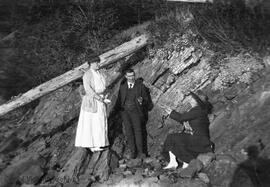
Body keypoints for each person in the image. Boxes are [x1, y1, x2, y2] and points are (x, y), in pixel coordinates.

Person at [162, 90, 214, 169]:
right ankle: (178, 162)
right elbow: (186, 119)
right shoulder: (200, 110)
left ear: (197, 101)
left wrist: (171, 112)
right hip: (200, 138)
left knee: (172, 138)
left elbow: (181, 117)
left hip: (199, 140)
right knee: (175, 138)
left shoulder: (197, 110)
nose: (189, 100)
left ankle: (183, 161)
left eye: (192, 99)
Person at [114, 69, 153, 159]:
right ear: (126, 77)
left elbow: (147, 100)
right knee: (129, 132)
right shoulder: (123, 86)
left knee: (138, 131)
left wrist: (142, 101)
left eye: (133, 76)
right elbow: (119, 100)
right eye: (129, 76)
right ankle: (133, 152)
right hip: (125, 112)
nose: (131, 78)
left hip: (136, 111)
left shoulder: (140, 86)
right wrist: (116, 110)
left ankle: (141, 152)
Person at [75, 52, 110, 152]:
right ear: (91, 64)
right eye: (96, 63)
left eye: (98, 63)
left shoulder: (100, 73)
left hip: (101, 98)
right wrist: (100, 98)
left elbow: (103, 86)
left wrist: (105, 96)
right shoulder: (87, 74)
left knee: (100, 121)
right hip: (92, 101)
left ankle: (100, 143)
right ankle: (91, 144)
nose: (98, 64)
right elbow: (88, 89)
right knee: (91, 123)